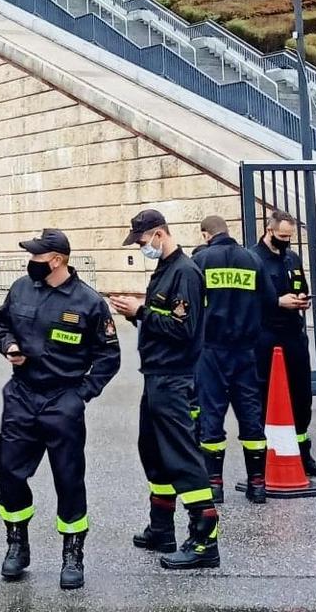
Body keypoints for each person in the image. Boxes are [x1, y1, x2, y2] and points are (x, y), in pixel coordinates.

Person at [0, 228, 120, 590]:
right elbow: (0, 323)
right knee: (10, 472)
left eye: (37, 257)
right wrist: (9, 345)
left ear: (58, 260)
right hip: (21, 395)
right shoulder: (20, 288)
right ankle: (17, 545)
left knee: (68, 478)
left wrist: (81, 395)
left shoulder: (88, 302)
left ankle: (73, 553)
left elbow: (109, 356)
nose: (30, 263)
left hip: (62, 399)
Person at [110, 209, 220, 570]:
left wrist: (140, 313)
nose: (142, 247)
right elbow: (165, 319)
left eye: (142, 241)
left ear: (159, 234)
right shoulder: (166, 269)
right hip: (156, 375)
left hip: (174, 378)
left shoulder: (185, 272)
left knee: (181, 456)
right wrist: (137, 313)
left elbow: (183, 329)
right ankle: (162, 529)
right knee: (154, 453)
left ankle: (204, 540)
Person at [191, 214, 274, 504]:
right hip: (245, 350)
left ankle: (214, 486)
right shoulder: (253, 260)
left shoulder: (201, 262)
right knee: (251, 413)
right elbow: (269, 301)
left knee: (211, 413)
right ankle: (258, 484)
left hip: (211, 349)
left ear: (206, 235)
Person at [250, 210, 316, 478]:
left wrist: (300, 299)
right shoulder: (252, 259)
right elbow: (248, 299)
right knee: (263, 397)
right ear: (269, 230)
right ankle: (263, 460)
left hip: (292, 333)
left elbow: (300, 284)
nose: (286, 240)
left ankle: (303, 454)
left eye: (290, 236)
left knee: (301, 395)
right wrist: (276, 301)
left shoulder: (292, 258)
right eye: (282, 236)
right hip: (264, 335)